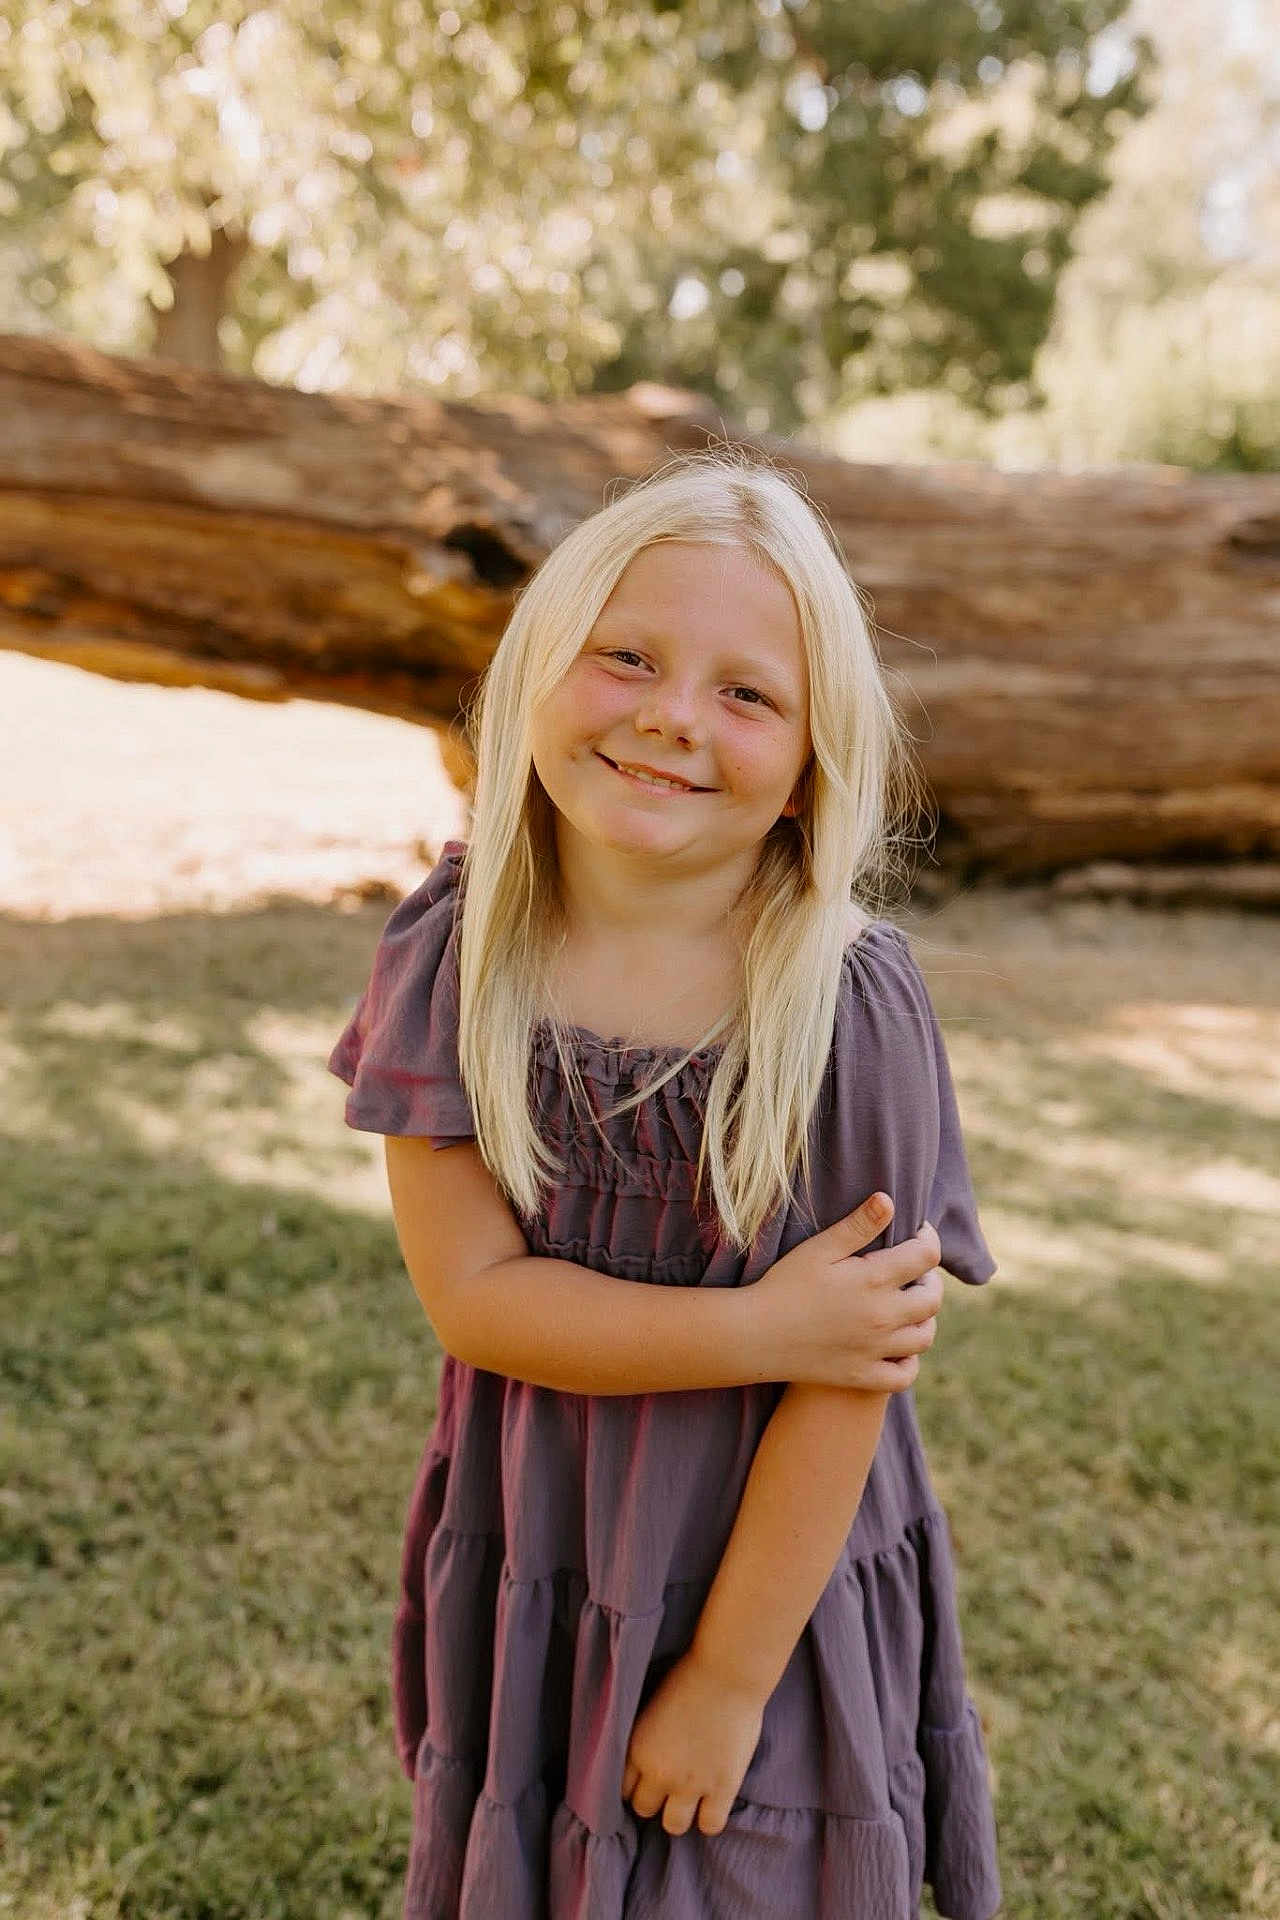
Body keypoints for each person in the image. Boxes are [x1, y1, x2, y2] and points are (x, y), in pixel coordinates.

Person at [328, 450, 1002, 1920]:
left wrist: (729, 1677)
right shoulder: (456, 953)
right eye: (624, 655)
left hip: (772, 1579)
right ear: (537, 668)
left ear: (814, 756)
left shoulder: (845, 1001)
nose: (672, 717)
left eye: (747, 693)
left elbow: (853, 1373)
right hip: (548, 1534)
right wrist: (763, 1328)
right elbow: (476, 1300)